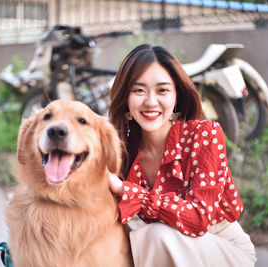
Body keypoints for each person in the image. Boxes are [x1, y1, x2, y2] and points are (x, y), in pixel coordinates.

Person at [108, 44, 257, 267]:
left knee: (155, 235)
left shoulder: (205, 134)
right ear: (125, 98)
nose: (150, 101)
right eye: (139, 90)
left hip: (220, 245)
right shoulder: (120, 148)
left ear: (177, 95)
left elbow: (198, 219)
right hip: (162, 247)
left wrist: (125, 190)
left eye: (162, 90)